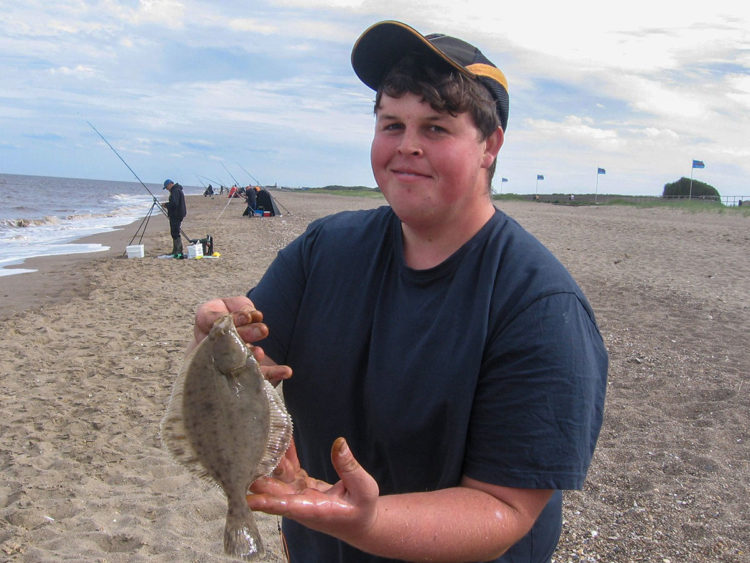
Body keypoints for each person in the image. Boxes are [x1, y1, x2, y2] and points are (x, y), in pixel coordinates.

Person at [190, 20, 608, 562]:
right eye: (391, 124)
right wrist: (219, 341)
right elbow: (253, 362)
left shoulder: (541, 309)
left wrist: (369, 520)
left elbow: (505, 507)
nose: (407, 146)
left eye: (435, 128)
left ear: (489, 145)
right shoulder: (323, 249)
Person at [162, 179, 187, 258]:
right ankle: (176, 250)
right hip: (177, 214)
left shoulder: (175, 190)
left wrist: (166, 205)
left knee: (175, 232)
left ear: (170, 184)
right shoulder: (176, 190)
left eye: (166, 187)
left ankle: (178, 250)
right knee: (174, 232)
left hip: (176, 215)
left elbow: (174, 203)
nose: (166, 189)